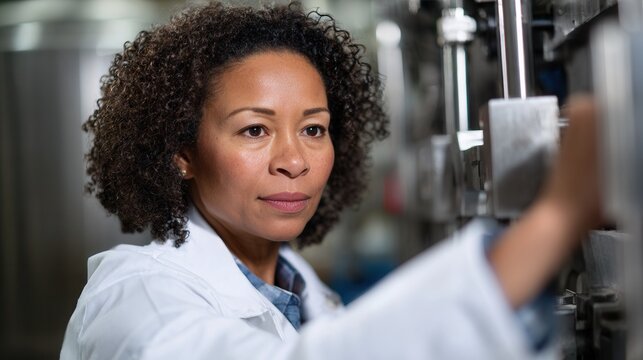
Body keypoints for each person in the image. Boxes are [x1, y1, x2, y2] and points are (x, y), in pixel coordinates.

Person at [61, 2, 601, 359]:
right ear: (183, 153)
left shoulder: (299, 287)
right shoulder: (135, 299)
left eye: (314, 128)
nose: (294, 160)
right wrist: (552, 221)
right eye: (255, 129)